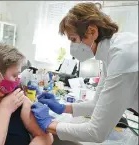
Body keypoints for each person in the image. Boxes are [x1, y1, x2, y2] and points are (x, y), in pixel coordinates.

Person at [31, 2, 138, 143]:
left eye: (73, 39)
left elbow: (96, 133)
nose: (72, 47)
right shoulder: (111, 53)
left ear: (92, 32)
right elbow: (96, 104)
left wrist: (48, 124)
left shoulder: (122, 54)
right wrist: (63, 107)